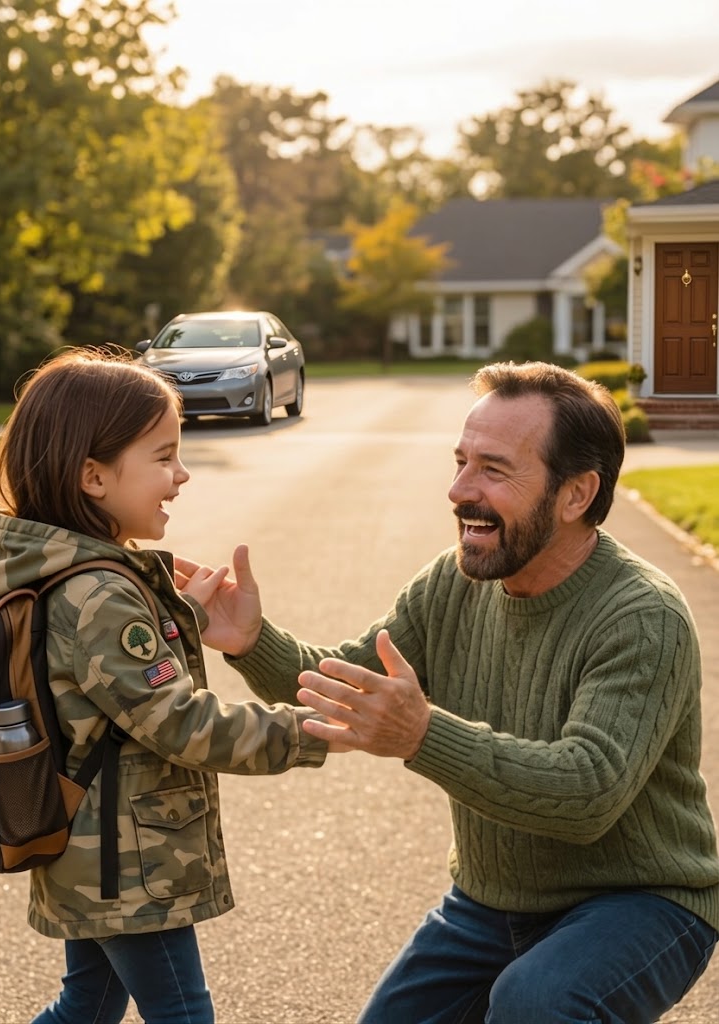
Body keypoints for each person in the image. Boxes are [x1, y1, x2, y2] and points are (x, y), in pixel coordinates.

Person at [195, 360, 719, 1024]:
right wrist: (250, 639)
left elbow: (587, 795)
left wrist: (421, 735)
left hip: (642, 901)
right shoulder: (454, 583)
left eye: (493, 470)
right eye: (460, 461)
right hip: (490, 903)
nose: (458, 490)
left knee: (537, 1003)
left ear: (576, 494)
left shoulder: (641, 616)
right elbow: (346, 685)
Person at [0, 347, 336, 1024]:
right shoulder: (100, 593)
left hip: (88, 851)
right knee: (182, 1013)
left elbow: (97, 682)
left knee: (89, 1003)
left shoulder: (49, 570)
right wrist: (310, 729)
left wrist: (175, 616)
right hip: (126, 865)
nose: (182, 474)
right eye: (164, 456)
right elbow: (181, 725)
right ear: (93, 476)